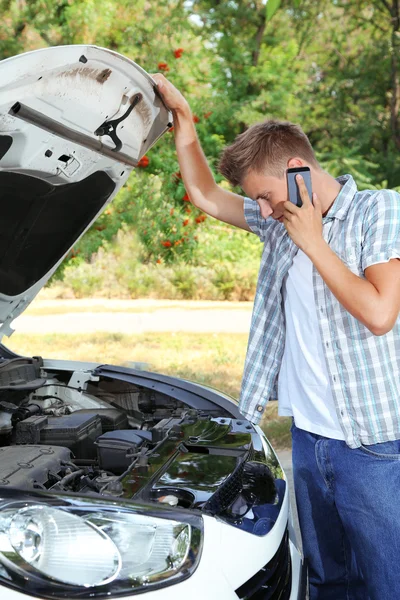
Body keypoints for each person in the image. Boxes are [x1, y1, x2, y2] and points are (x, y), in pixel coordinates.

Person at [152, 73, 400, 600]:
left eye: (264, 196)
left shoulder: (379, 211)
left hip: (375, 445)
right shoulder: (279, 220)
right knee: (326, 580)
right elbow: (203, 194)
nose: (260, 210)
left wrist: (315, 243)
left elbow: (379, 313)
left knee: (386, 583)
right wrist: (185, 120)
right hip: (310, 440)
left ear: (296, 171)